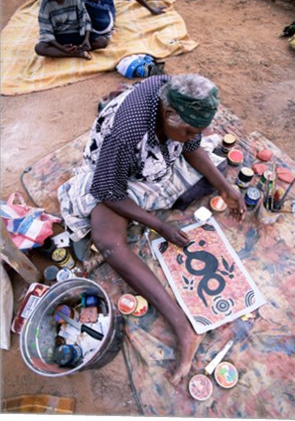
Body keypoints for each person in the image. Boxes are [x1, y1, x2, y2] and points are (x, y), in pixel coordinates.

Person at [58, 74, 246, 385]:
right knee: (107, 241)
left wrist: (225, 188)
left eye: (195, 131)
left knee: (214, 168)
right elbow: (107, 189)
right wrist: (159, 225)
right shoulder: (126, 133)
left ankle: (193, 185)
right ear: (169, 115)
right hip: (115, 176)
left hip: (154, 165)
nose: (190, 137)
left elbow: (192, 146)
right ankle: (183, 328)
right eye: (186, 131)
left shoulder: (176, 99)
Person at [35, 0, 107, 60]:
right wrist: (61, 47)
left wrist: (86, 39)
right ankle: (77, 53)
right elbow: (45, 30)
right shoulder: (46, 3)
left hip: (77, 33)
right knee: (40, 48)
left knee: (101, 41)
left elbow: (85, 19)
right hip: (58, 37)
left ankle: (76, 49)